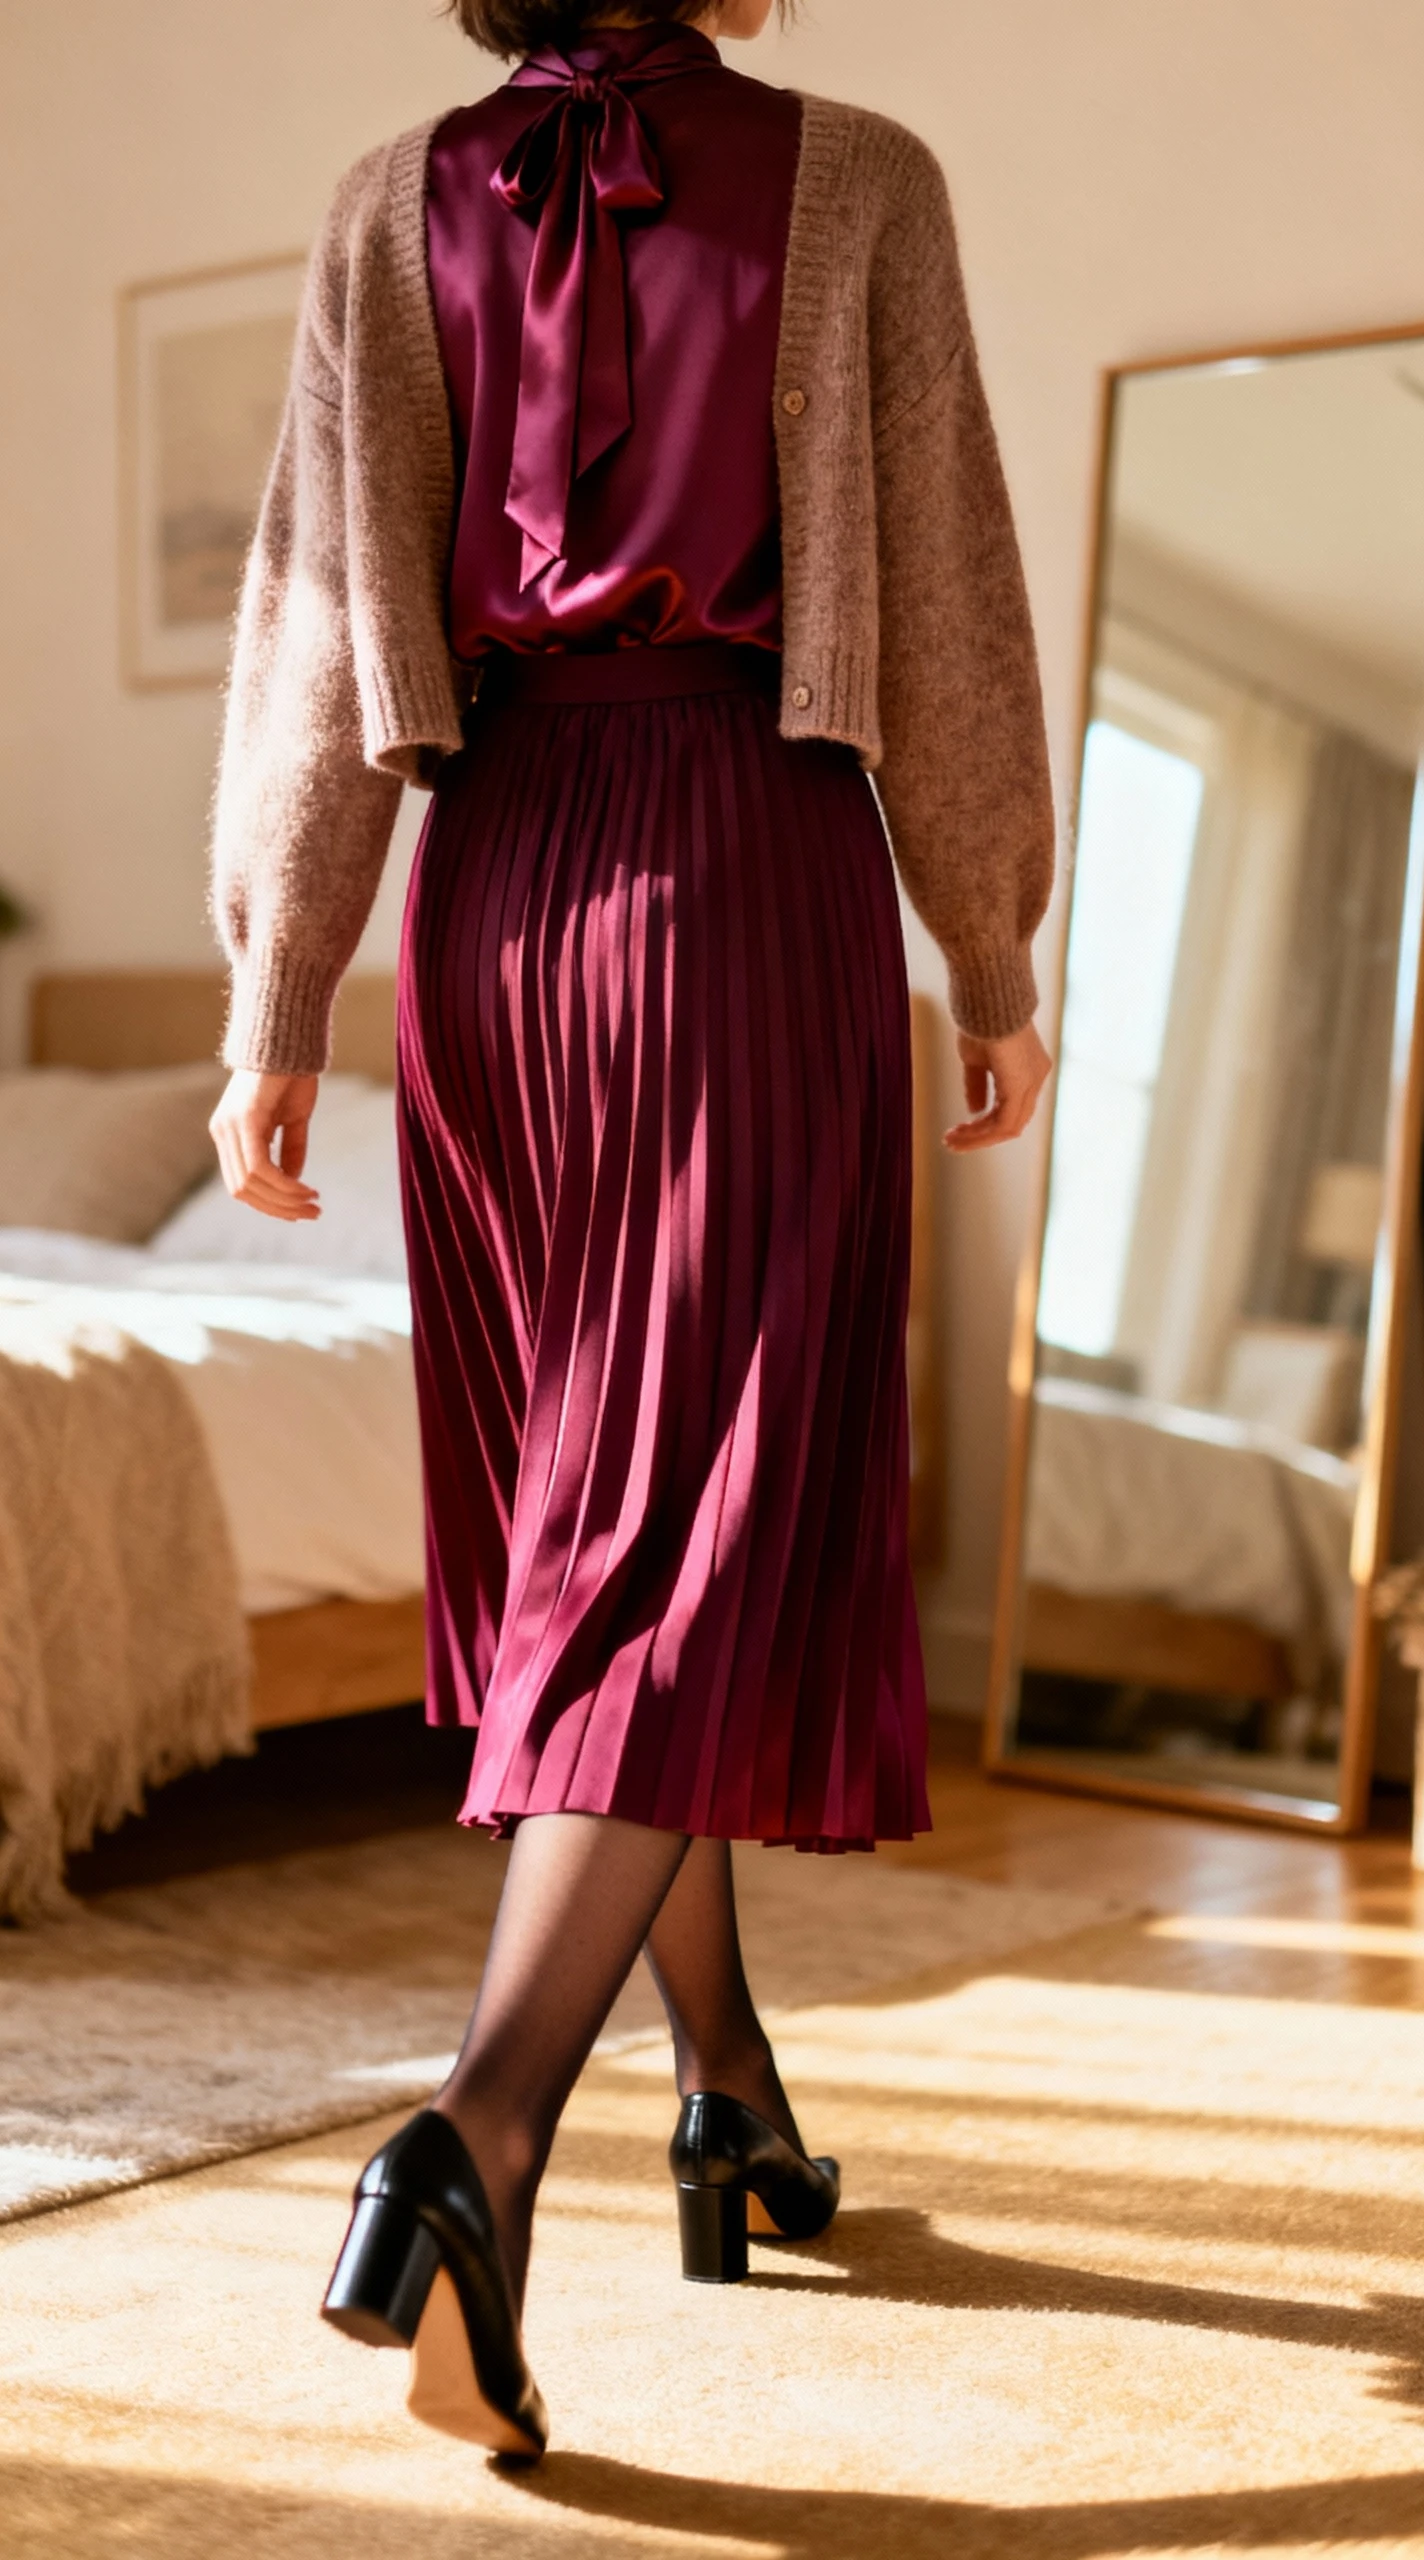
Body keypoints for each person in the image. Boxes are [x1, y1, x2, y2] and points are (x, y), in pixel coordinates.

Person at [208, 0, 1054, 2463]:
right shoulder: (861, 174)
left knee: (605, 1521)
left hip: (489, 910)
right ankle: (470, 2139)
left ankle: (732, 2096)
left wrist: (285, 985)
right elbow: (956, 590)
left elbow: (315, 631)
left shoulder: (392, 196)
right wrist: (990, 948)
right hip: (742, 878)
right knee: (695, 1531)